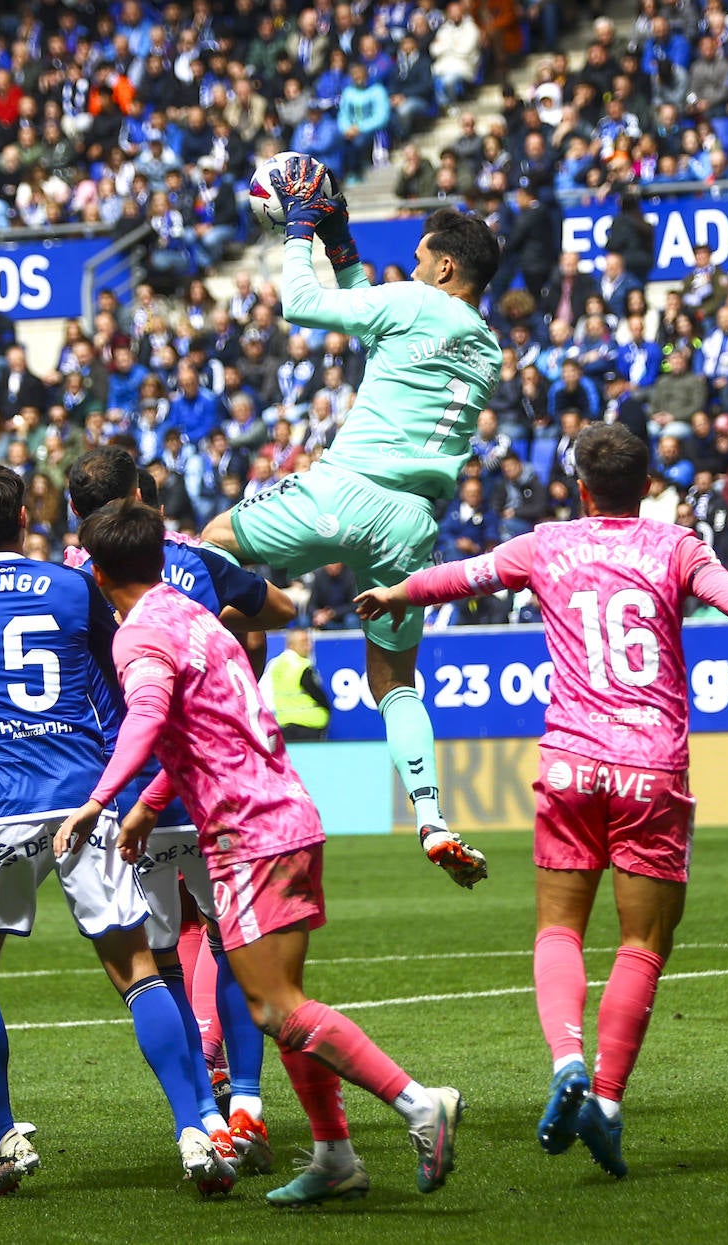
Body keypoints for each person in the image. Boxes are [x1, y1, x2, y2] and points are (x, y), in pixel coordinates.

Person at [353, 423, 728, 1178]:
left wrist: (396, 590)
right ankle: (607, 1098)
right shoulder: (677, 547)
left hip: (568, 765)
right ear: (648, 484)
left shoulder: (548, 542)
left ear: (583, 488)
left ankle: (566, 1057)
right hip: (650, 768)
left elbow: (464, 577)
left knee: (558, 928)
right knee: (642, 942)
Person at [56, 500, 464, 1208]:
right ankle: (335, 1153)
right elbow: (203, 729)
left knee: (275, 1007)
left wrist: (100, 798)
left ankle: (419, 1103)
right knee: (282, 1001)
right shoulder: (199, 617)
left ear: (96, 573)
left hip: (246, 832)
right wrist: (153, 802)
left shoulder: (138, 636)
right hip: (288, 813)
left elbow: (148, 716)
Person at [0, 465, 233, 1198]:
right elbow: (111, 677)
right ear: (25, 514)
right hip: (82, 797)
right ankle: (194, 1130)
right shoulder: (69, 584)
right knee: (138, 969)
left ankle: (4, 1140)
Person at [202, 165, 501, 891]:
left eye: (425, 259)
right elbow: (381, 331)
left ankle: (228, 717)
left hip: (348, 488)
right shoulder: (485, 346)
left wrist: (302, 228)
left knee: (210, 544)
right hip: (412, 525)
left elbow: (303, 305)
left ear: (446, 267)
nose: (416, 267)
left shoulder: (415, 302)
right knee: (395, 682)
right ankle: (431, 816)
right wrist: (342, 241)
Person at [61, 447, 291, 1168]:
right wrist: (222, 615)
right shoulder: (190, 557)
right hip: (214, 783)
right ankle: (248, 1102)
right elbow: (281, 608)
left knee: (155, 965)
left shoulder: (70, 583)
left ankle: (201, 1118)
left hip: (132, 797)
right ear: (142, 496)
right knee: (231, 943)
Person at [260, 629, 331, 742]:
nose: (309, 646)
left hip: (284, 724)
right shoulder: (302, 665)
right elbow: (317, 693)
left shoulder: (274, 664)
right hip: (310, 723)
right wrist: (327, 708)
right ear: (291, 644)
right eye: (304, 642)